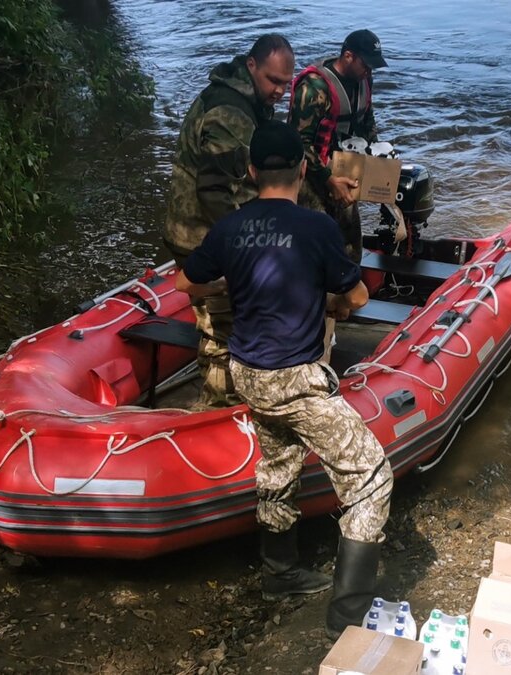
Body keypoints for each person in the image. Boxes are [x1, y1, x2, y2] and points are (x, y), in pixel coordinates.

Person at [175, 121, 394, 639]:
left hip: (246, 372)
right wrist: (330, 300)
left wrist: (233, 279)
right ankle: (347, 622)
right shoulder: (316, 228)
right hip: (294, 379)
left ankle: (281, 574)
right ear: (301, 169)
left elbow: (187, 281)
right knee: (371, 479)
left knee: (277, 465)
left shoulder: (229, 228)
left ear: (251, 172)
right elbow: (358, 297)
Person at [162, 34, 296, 409]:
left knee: (235, 321)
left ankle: (236, 399)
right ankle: (217, 412)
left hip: (207, 230)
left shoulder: (248, 99)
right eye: (273, 81)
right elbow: (217, 192)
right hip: (202, 236)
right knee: (222, 332)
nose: (280, 92)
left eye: (286, 84)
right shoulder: (230, 113)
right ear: (252, 66)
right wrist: (252, 249)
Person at [288, 29, 389, 258]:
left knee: (351, 242)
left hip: (346, 168)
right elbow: (299, 143)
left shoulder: (364, 79)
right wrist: (328, 179)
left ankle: (349, 287)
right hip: (312, 176)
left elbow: (367, 121)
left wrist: (378, 158)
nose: (369, 71)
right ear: (348, 56)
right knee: (315, 243)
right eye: (366, 64)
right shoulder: (314, 87)